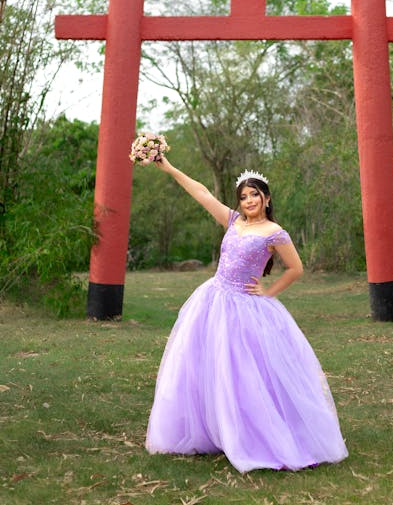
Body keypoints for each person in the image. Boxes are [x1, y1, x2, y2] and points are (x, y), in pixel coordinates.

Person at [145, 156, 348, 472]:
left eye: (254, 194)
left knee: (243, 372)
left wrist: (269, 292)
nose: (249, 200)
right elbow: (202, 194)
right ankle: (211, 430)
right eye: (243, 196)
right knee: (204, 365)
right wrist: (169, 167)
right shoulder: (232, 221)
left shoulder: (274, 232)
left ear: (266, 198)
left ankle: (251, 435)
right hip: (212, 301)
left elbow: (296, 268)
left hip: (245, 307)